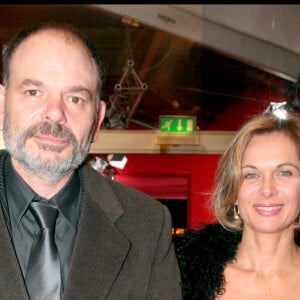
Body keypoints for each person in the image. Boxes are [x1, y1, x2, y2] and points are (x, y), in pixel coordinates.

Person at [0, 22, 182, 300]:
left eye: (75, 98)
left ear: (97, 119)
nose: (55, 113)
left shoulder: (147, 226)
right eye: (34, 92)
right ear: (2, 104)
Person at [174, 110, 300, 300]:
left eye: (284, 172)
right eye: (251, 174)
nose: (267, 189)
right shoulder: (181, 277)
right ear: (232, 190)